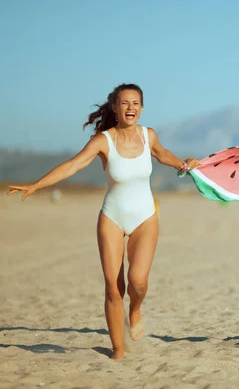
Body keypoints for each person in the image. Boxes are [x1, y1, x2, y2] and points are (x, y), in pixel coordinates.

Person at [6, 83, 201, 360]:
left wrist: (185, 165)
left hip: (145, 217)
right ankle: (118, 351)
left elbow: (162, 155)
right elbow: (73, 165)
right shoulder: (103, 141)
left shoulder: (149, 136)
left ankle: (135, 310)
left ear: (142, 108)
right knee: (113, 286)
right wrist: (37, 185)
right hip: (112, 216)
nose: (130, 107)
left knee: (138, 282)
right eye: (124, 103)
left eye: (135, 103)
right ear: (115, 107)